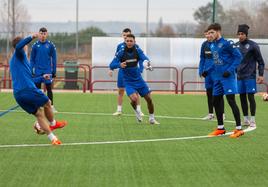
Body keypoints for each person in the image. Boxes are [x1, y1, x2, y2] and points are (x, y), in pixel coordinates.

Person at [9, 34, 67, 145]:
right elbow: (18, 47)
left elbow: (29, 77)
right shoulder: (19, 54)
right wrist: (32, 36)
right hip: (27, 90)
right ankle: (53, 123)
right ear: (24, 45)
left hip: (18, 95)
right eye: (26, 45)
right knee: (47, 102)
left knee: (39, 114)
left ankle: (53, 139)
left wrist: (41, 78)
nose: (27, 46)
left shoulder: (19, 60)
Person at [109, 34, 159, 124]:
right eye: (127, 41)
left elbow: (145, 58)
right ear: (125, 42)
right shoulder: (121, 52)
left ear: (134, 42)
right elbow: (111, 64)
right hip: (128, 81)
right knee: (134, 99)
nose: (129, 42)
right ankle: (137, 111)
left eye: (131, 41)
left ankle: (152, 118)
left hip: (139, 80)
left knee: (149, 99)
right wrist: (119, 65)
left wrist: (147, 63)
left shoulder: (138, 50)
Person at [206, 23, 244, 138]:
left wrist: (230, 70)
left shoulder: (228, 43)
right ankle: (220, 128)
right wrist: (207, 70)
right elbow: (216, 61)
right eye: (208, 33)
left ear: (218, 32)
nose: (210, 35)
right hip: (217, 78)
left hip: (228, 78)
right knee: (215, 101)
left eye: (212, 32)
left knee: (231, 101)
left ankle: (239, 129)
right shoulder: (212, 46)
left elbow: (238, 57)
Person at [108, 28, 147, 116]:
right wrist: (111, 69)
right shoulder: (120, 46)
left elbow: (141, 59)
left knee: (135, 91)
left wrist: (141, 69)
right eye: (124, 35)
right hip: (122, 71)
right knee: (121, 90)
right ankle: (119, 110)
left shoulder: (136, 47)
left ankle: (139, 110)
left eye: (127, 35)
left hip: (133, 72)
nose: (126, 37)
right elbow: (115, 60)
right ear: (122, 36)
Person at [236, 24, 265, 127]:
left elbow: (261, 61)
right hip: (239, 77)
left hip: (250, 76)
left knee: (250, 97)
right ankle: (246, 119)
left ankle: (253, 120)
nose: (240, 36)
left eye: (242, 34)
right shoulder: (235, 46)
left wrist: (261, 75)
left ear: (246, 34)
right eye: (238, 34)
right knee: (242, 98)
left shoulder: (253, 45)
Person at [199, 29, 225, 120]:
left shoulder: (217, 45)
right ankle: (210, 114)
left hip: (216, 72)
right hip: (207, 73)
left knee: (219, 93)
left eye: (209, 34)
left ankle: (222, 113)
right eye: (205, 34)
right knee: (209, 93)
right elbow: (202, 58)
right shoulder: (204, 45)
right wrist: (200, 70)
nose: (207, 36)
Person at [30, 27, 58, 113]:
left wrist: (54, 71)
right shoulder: (35, 46)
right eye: (41, 34)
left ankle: (51, 106)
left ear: (47, 34)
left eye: (44, 34)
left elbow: (54, 58)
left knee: (49, 88)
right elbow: (32, 59)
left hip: (47, 71)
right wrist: (32, 70)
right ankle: (38, 106)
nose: (43, 35)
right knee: (37, 89)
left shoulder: (50, 45)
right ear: (39, 34)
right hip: (38, 71)